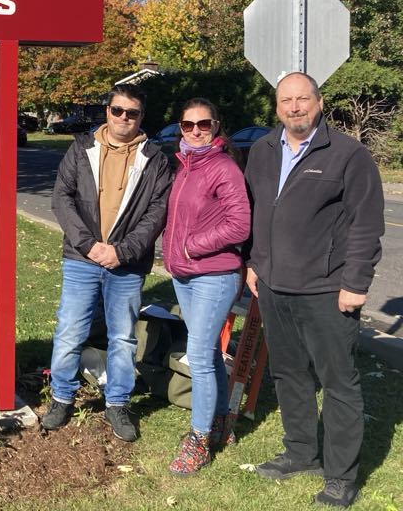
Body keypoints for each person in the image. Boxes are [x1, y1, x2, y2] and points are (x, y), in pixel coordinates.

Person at [244, 72, 384, 508]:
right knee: (288, 374)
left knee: (338, 381)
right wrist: (254, 263)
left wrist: (354, 283)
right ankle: (301, 451)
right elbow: (255, 211)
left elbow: (366, 223)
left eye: (303, 98)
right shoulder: (262, 150)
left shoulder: (348, 154)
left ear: (319, 103)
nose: (295, 106)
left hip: (327, 289)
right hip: (272, 285)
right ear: (277, 106)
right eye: (287, 100)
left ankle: (341, 475)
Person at [43, 83, 172, 441]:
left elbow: (156, 212)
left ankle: (117, 403)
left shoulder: (156, 159)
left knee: (123, 337)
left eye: (132, 113)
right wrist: (89, 246)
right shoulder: (81, 148)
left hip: (126, 264)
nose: (123, 118)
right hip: (82, 258)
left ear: (141, 117)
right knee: (70, 331)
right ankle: (62, 397)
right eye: (117, 110)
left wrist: (122, 251)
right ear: (108, 112)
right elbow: (61, 199)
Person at [161, 98, 250, 475]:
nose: (195, 131)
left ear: (216, 126)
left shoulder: (224, 167)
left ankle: (198, 440)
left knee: (198, 355)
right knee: (209, 354)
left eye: (203, 124)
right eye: (187, 125)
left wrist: (191, 245)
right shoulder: (182, 166)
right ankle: (221, 422)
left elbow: (240, 224)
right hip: (184, 274)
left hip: (215, 273)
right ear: (180, 128)